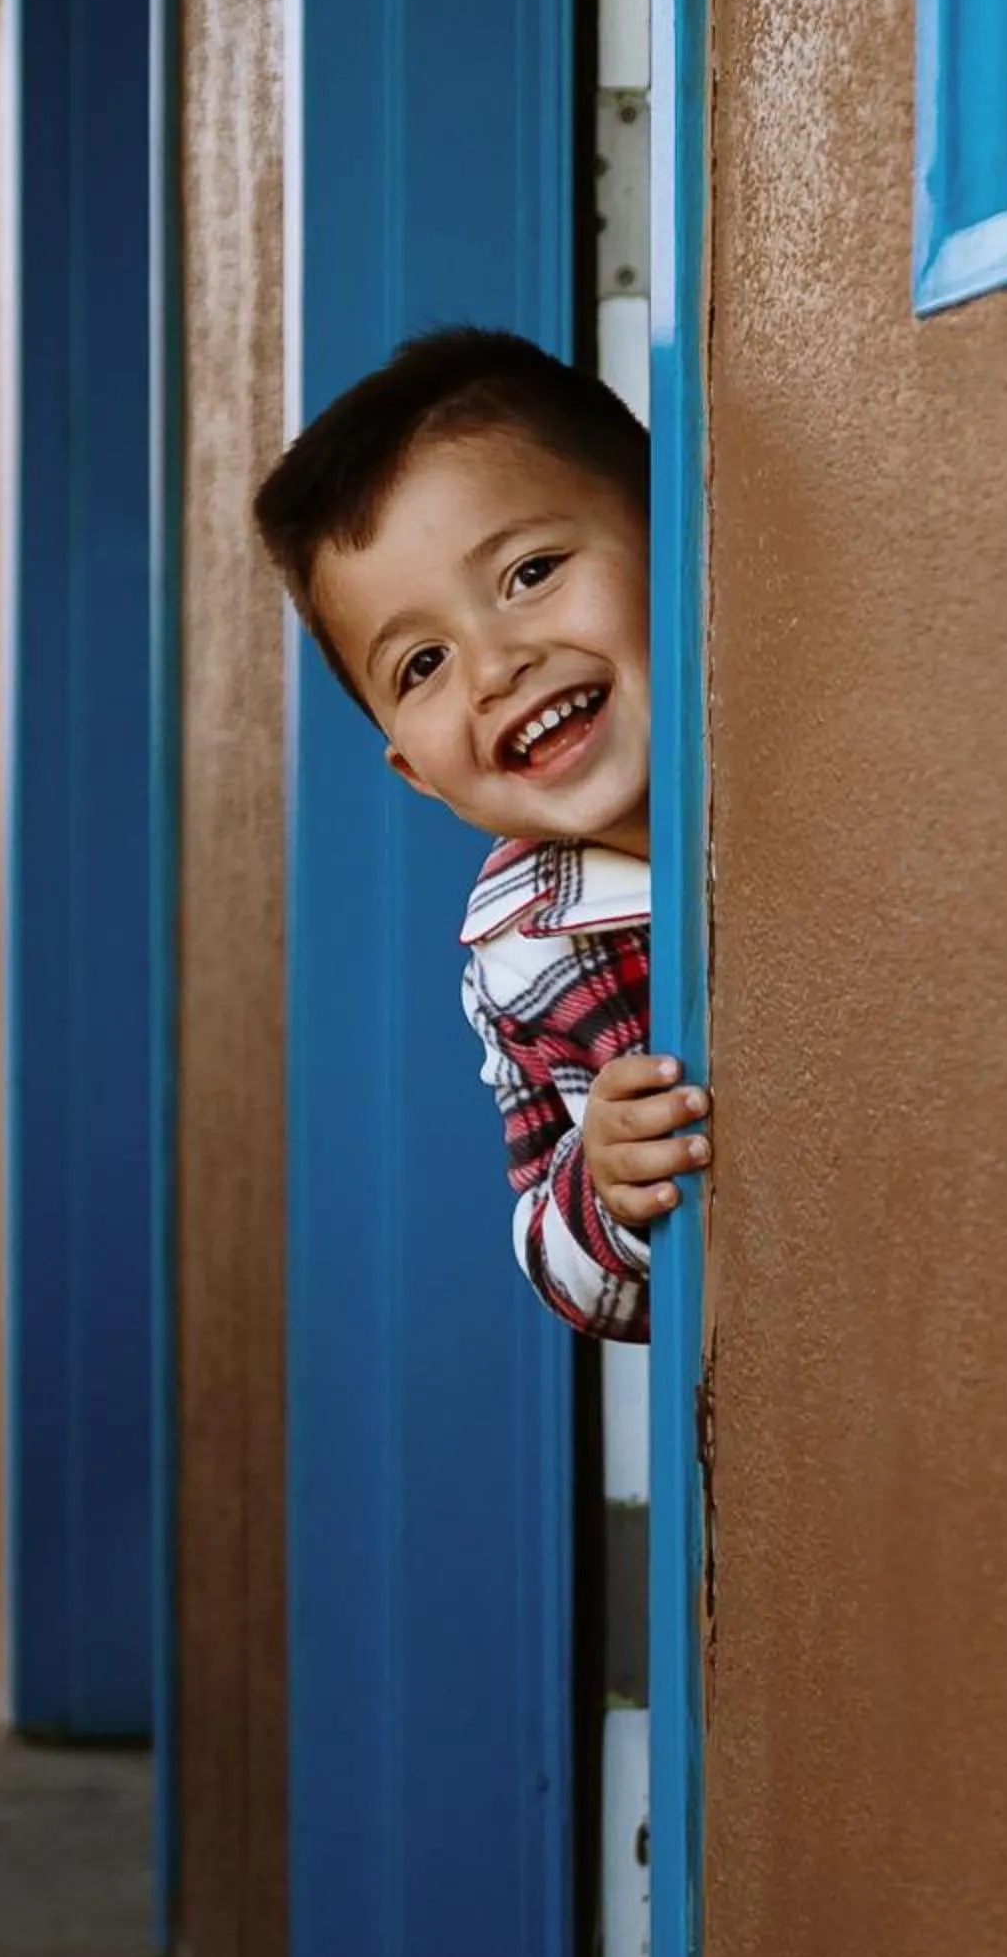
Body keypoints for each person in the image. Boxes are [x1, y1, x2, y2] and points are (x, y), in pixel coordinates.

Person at [252, 326, 711, 1342]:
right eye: (421, 666)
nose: (496, 665)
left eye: (531, 570)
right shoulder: (518, 959)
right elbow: (575, 1282)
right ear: (417, 772)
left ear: (680, 524)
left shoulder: (819, 750)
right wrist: (604, 1182)